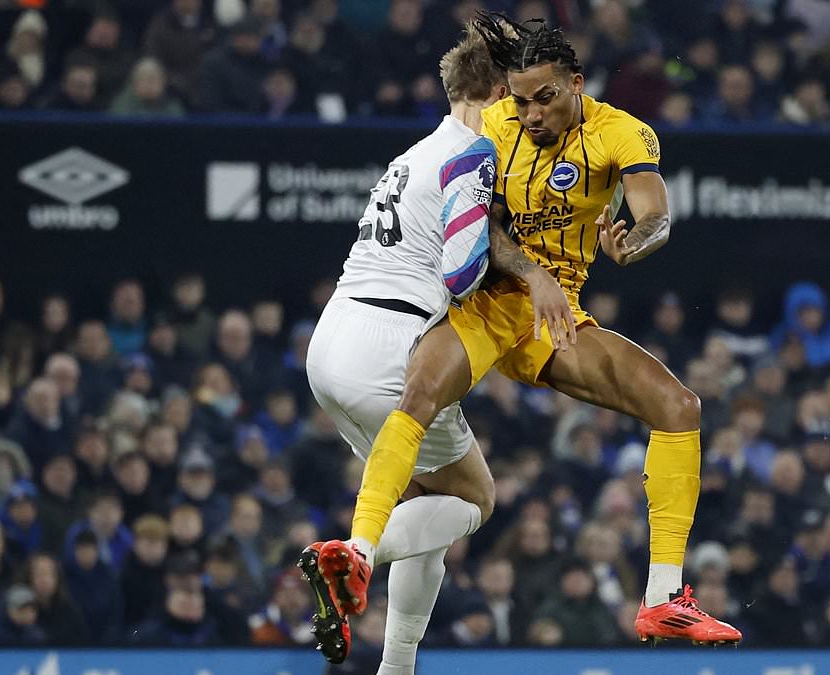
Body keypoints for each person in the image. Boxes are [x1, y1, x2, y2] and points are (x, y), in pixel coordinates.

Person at [315, 10, 740, 655]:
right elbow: (475, 224)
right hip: (487, 305)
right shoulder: (491, 127)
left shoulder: (621, 132)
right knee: (419, 397)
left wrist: (640, 239)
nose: (531, 114)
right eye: (520, 100)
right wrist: (532, 272)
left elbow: (654, 209)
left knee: (678, 406)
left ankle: (663, 599)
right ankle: (361, 552)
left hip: (553, 322)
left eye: (545, 98)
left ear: (576, 82)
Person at [298, 21, 509, 669]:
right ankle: (356, 555)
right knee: (476, 498)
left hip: (332, 341)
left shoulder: (411, 153)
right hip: (394, 348)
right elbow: (460, 270)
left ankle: (396, 666)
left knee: (424, 503)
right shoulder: (473, 153)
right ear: (495, 91)